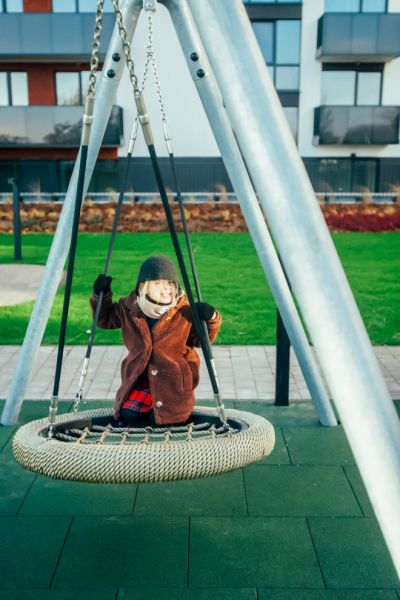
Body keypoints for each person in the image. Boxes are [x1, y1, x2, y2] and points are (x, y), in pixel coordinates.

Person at [91, 255, 222, 427]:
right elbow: (104, 319)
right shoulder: (129, 307)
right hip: (140, 379)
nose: (166, 289)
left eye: (170, 283)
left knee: (166, 419)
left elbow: (201, 340)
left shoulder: (185, 311)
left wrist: (211, 318)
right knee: (129, 415)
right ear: (143, 287)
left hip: (173, 383)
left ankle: (162, 417)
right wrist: (101, 296)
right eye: (158, 283)